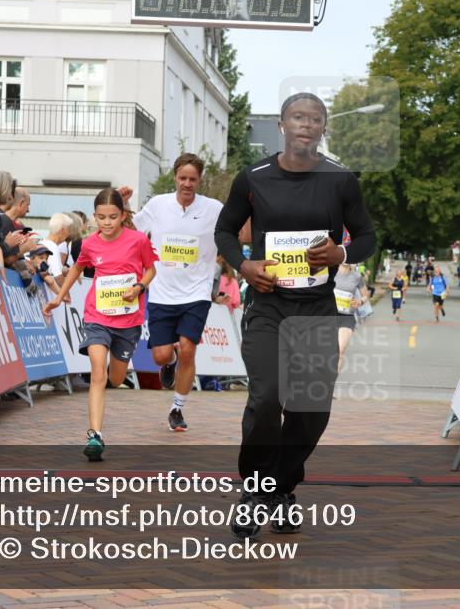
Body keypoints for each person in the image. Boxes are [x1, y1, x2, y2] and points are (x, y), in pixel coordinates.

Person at [215, 91, 376, 538]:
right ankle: (256, 491)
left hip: (317, 309)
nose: (306, 124)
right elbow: (225, 230)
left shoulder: (342, 180)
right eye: (296, 117)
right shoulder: (254, 177)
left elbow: (366, 237)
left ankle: (282, 488)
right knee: (266, 398)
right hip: (267, 304)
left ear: (324, 128)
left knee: (311, 409)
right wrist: (244, 265)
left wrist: (341, 251)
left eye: (315, 118)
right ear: (281, 126)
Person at [43, 188, 157, 461]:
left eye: (113, 217)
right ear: (94, 217)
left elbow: (151, 268)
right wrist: (59, 296)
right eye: (102, 217)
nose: (107, 223)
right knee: (97, 372)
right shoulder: (90, 243)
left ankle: (112, 374)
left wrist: (139, 287)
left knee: (115, 379)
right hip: (97, 316)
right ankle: (95, 435)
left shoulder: (138, 240)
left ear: (123, 216)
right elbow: (77, 268)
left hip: (128, 321)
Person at [135, 153, 223, 433]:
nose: (187, 184)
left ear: (200, 180)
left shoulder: (213, 209)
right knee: (161, 355)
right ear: (175, 177)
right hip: (162, 292)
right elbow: (134, 232)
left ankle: (177, 408)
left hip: (196, 292)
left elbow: (237, 233)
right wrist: (122, 206)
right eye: (183, 178)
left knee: (188, 349)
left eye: (193, 179)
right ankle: (169, 364)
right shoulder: (158, 205)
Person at [333, 262, 368, 372]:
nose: (346, 259)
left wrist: (360, 301)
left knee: (340, 350)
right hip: (329, 314)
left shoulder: (357, 276)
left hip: (347, 317)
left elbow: (365, 295)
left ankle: (331, 384)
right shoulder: (330, 272)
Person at [39, 212, 74, 284]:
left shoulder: (43, 243)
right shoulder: (52, 247)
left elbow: (52, 270)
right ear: (61, 230)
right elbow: (58, 277)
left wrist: (64, 269)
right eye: (68, 230)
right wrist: (66, 293)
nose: (69, 233)